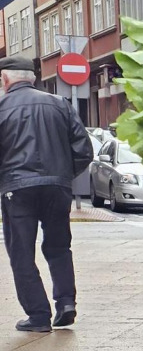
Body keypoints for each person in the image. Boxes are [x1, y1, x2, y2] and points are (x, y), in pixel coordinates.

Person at [0, 56, 92, 333]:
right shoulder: (60, 105)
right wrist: (62, 175)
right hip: (57, 187)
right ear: (32, 78)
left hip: (17, 189)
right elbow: (84, 150)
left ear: (5, 80)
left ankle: (38, 316)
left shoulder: (2, 107)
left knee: (21, 253)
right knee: (58, 246)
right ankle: (66, 303)